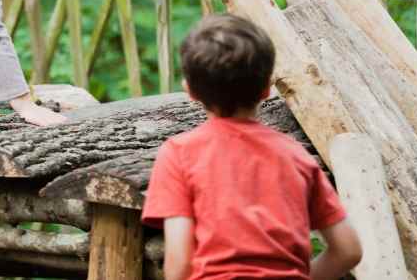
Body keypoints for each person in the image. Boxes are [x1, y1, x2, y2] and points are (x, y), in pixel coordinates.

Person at [141, 14, 362, 280]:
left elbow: (179, 264)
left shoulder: (179, 154)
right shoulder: (294, 155)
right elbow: (348, 250)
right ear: (266, 90)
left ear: (190, 91)